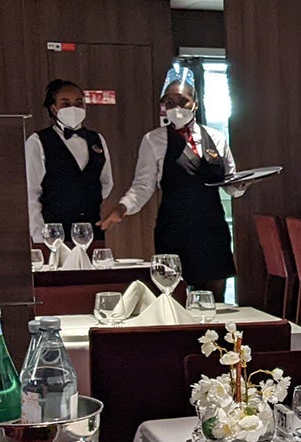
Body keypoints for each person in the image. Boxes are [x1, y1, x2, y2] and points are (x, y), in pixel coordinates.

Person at [101, 63, 247, 293]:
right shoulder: (153, 140)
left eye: (182, 102)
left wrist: (240, 186)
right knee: (173, 295)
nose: (176, 107)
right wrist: (122, 208)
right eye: (169, 102)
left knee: (214, 295)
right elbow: (143, 185)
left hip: (212, 228)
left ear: (195, 104)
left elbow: (231, 185)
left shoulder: (217, 138)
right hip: (174, 227)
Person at [25, 79, 113, 246]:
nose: (73, 108)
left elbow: (106, 183)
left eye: (79, 103)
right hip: (54, 232)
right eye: (65, 103)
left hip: (92, 229)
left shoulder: (97, 139)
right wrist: (39, 237)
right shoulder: (38, 141)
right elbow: (31, 194)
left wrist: (84, 197)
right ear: (53, 108)